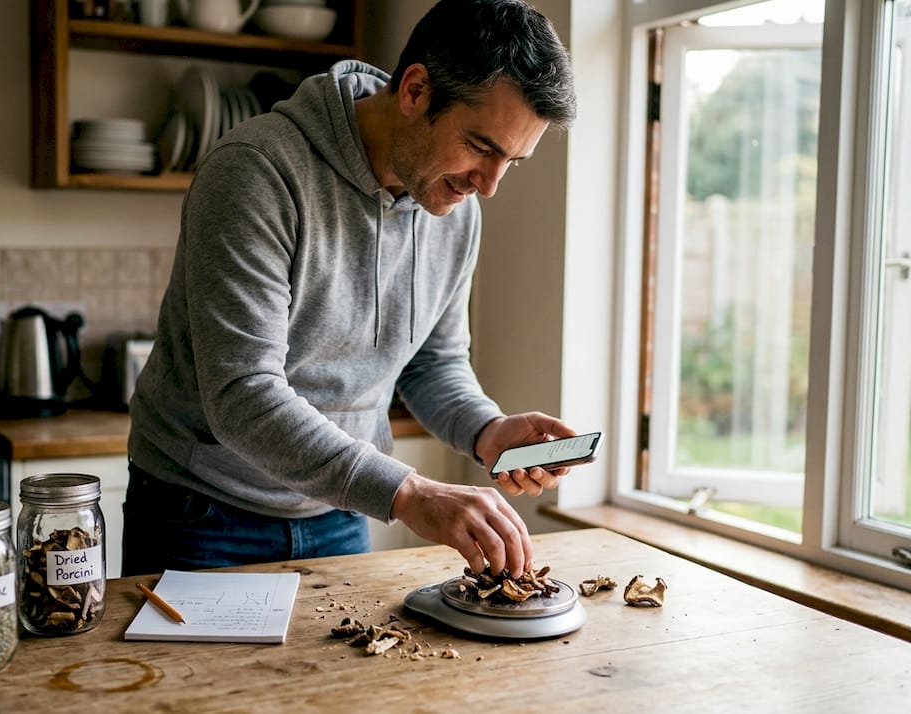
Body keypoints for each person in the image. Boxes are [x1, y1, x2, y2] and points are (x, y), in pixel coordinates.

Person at [123, 0, 578, 580]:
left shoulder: (455, 206)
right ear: (415, 91)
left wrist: (487, 430)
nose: (489, 186)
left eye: (512, 161)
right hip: (203, 511)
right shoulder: (256, 171)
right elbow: (242, 393)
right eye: (482, 147)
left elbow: (432, 364)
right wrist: (408, 492)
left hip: (340, 507)